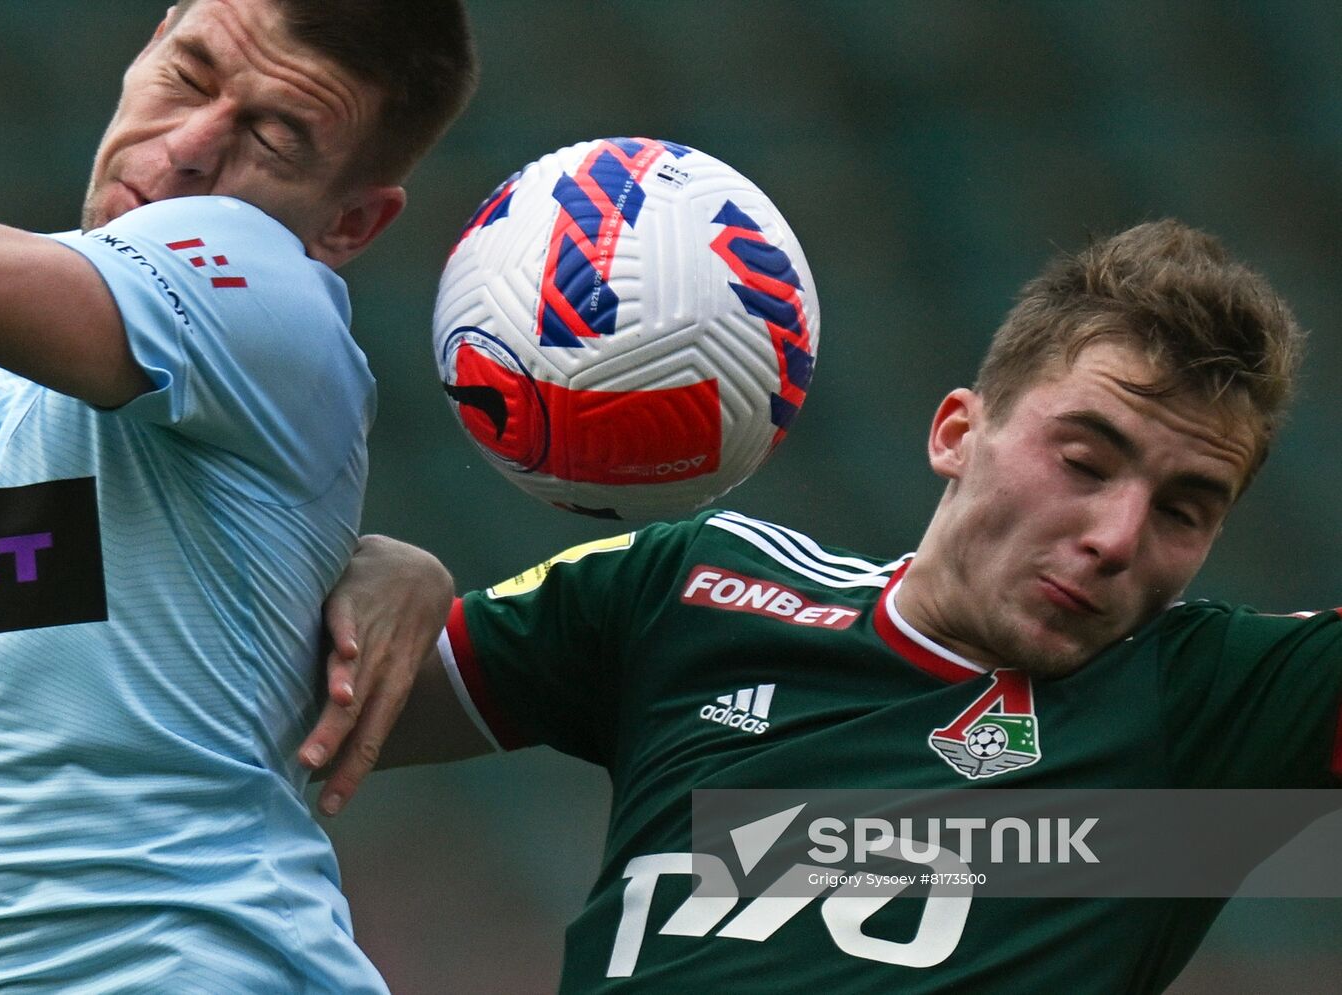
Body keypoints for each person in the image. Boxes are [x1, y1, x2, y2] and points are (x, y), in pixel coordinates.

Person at [328, 219, 1342, 992]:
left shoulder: (1207, 702)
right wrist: (381, 572)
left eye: (1182, 507)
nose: (1116, 535)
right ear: (955, 431)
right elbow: (283, 717)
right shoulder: (689, 591)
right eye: (1082, 460)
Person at [0, 0, 472, 990]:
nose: (187, 148)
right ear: (149, 44)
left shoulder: (258, 286)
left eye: (272, 134)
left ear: (349, 220)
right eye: (187, 76)